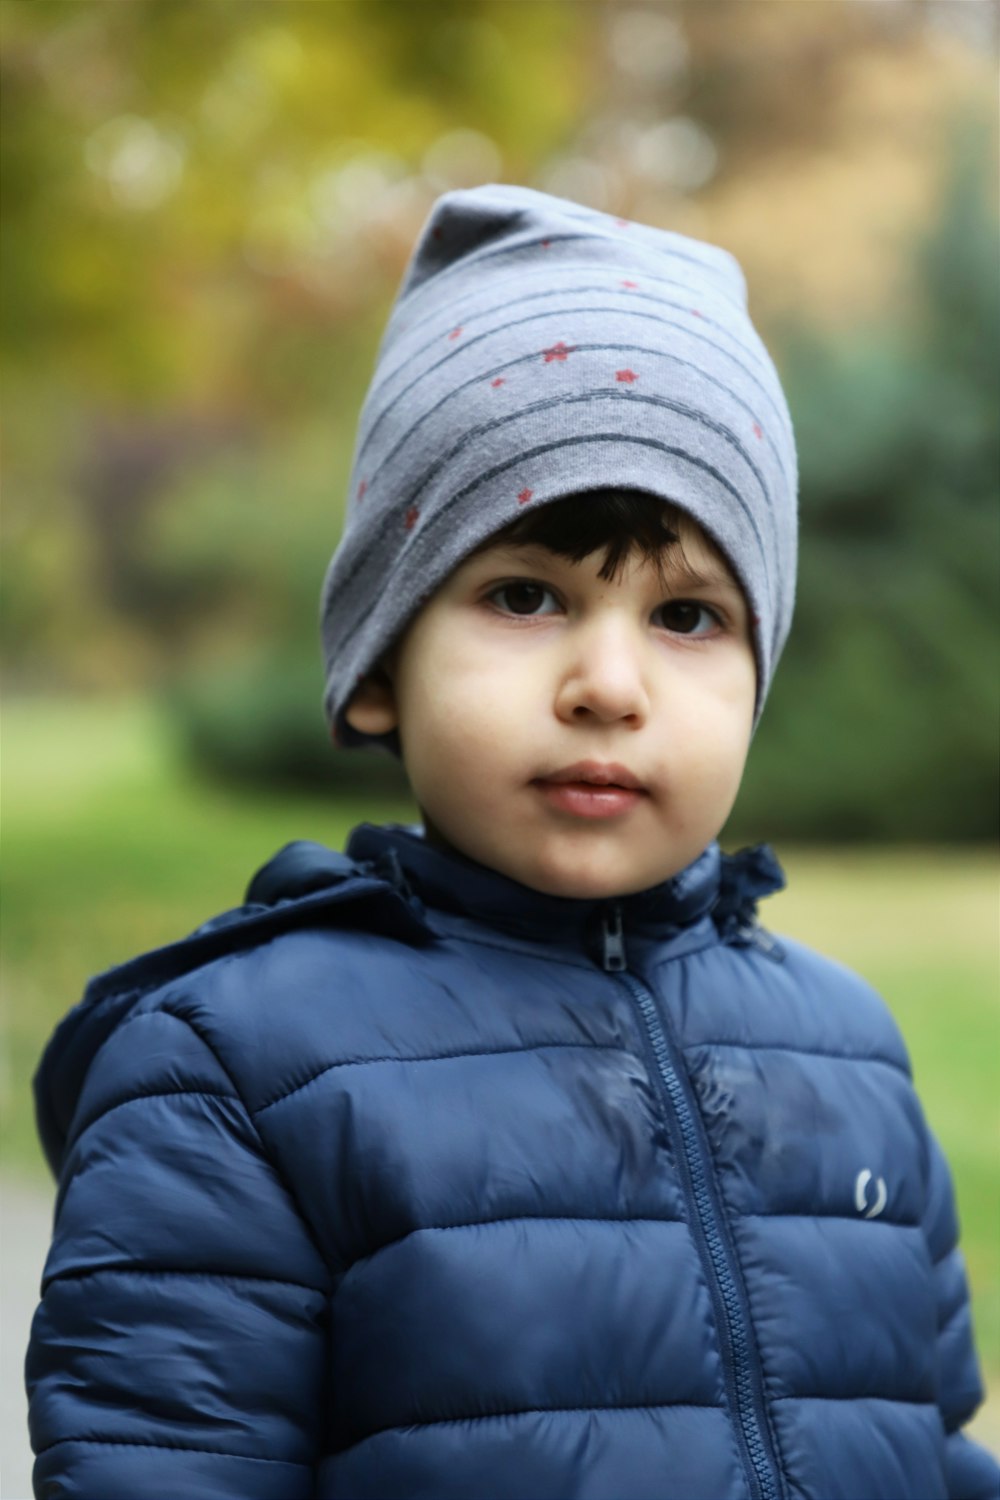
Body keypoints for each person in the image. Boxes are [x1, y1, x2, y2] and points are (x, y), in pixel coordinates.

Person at [26, 185, 997, 1500]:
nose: (610, 683)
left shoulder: (851, 1052)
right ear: (378, 665)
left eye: (691, 616)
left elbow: (923, 1446)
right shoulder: (235, 1077)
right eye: (527, 595)